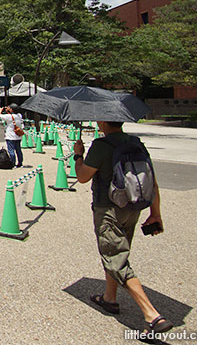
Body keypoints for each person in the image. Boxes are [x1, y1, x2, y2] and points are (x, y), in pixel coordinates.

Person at [74, 121, 173, 336]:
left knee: (115, 257)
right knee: (117, 253)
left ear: (102, 122)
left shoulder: (101, 146)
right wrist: (155, 213)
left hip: (108, 210)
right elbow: (152, 182)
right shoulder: (136, 143)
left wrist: (78, 155)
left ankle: (152, 315)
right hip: (132, 207)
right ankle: (110, 298)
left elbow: (82, 177)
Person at [0, 103, 24, 168]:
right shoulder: (19, 115)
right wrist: (8, 110)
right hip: (18, 136)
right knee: (18, 150)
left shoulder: (9, 117)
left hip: (10, 136)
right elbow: (12, 116)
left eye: (9, 107)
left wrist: (0, 110)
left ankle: (13, 163)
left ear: (11, 109)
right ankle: (20, 163)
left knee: (11, 150)